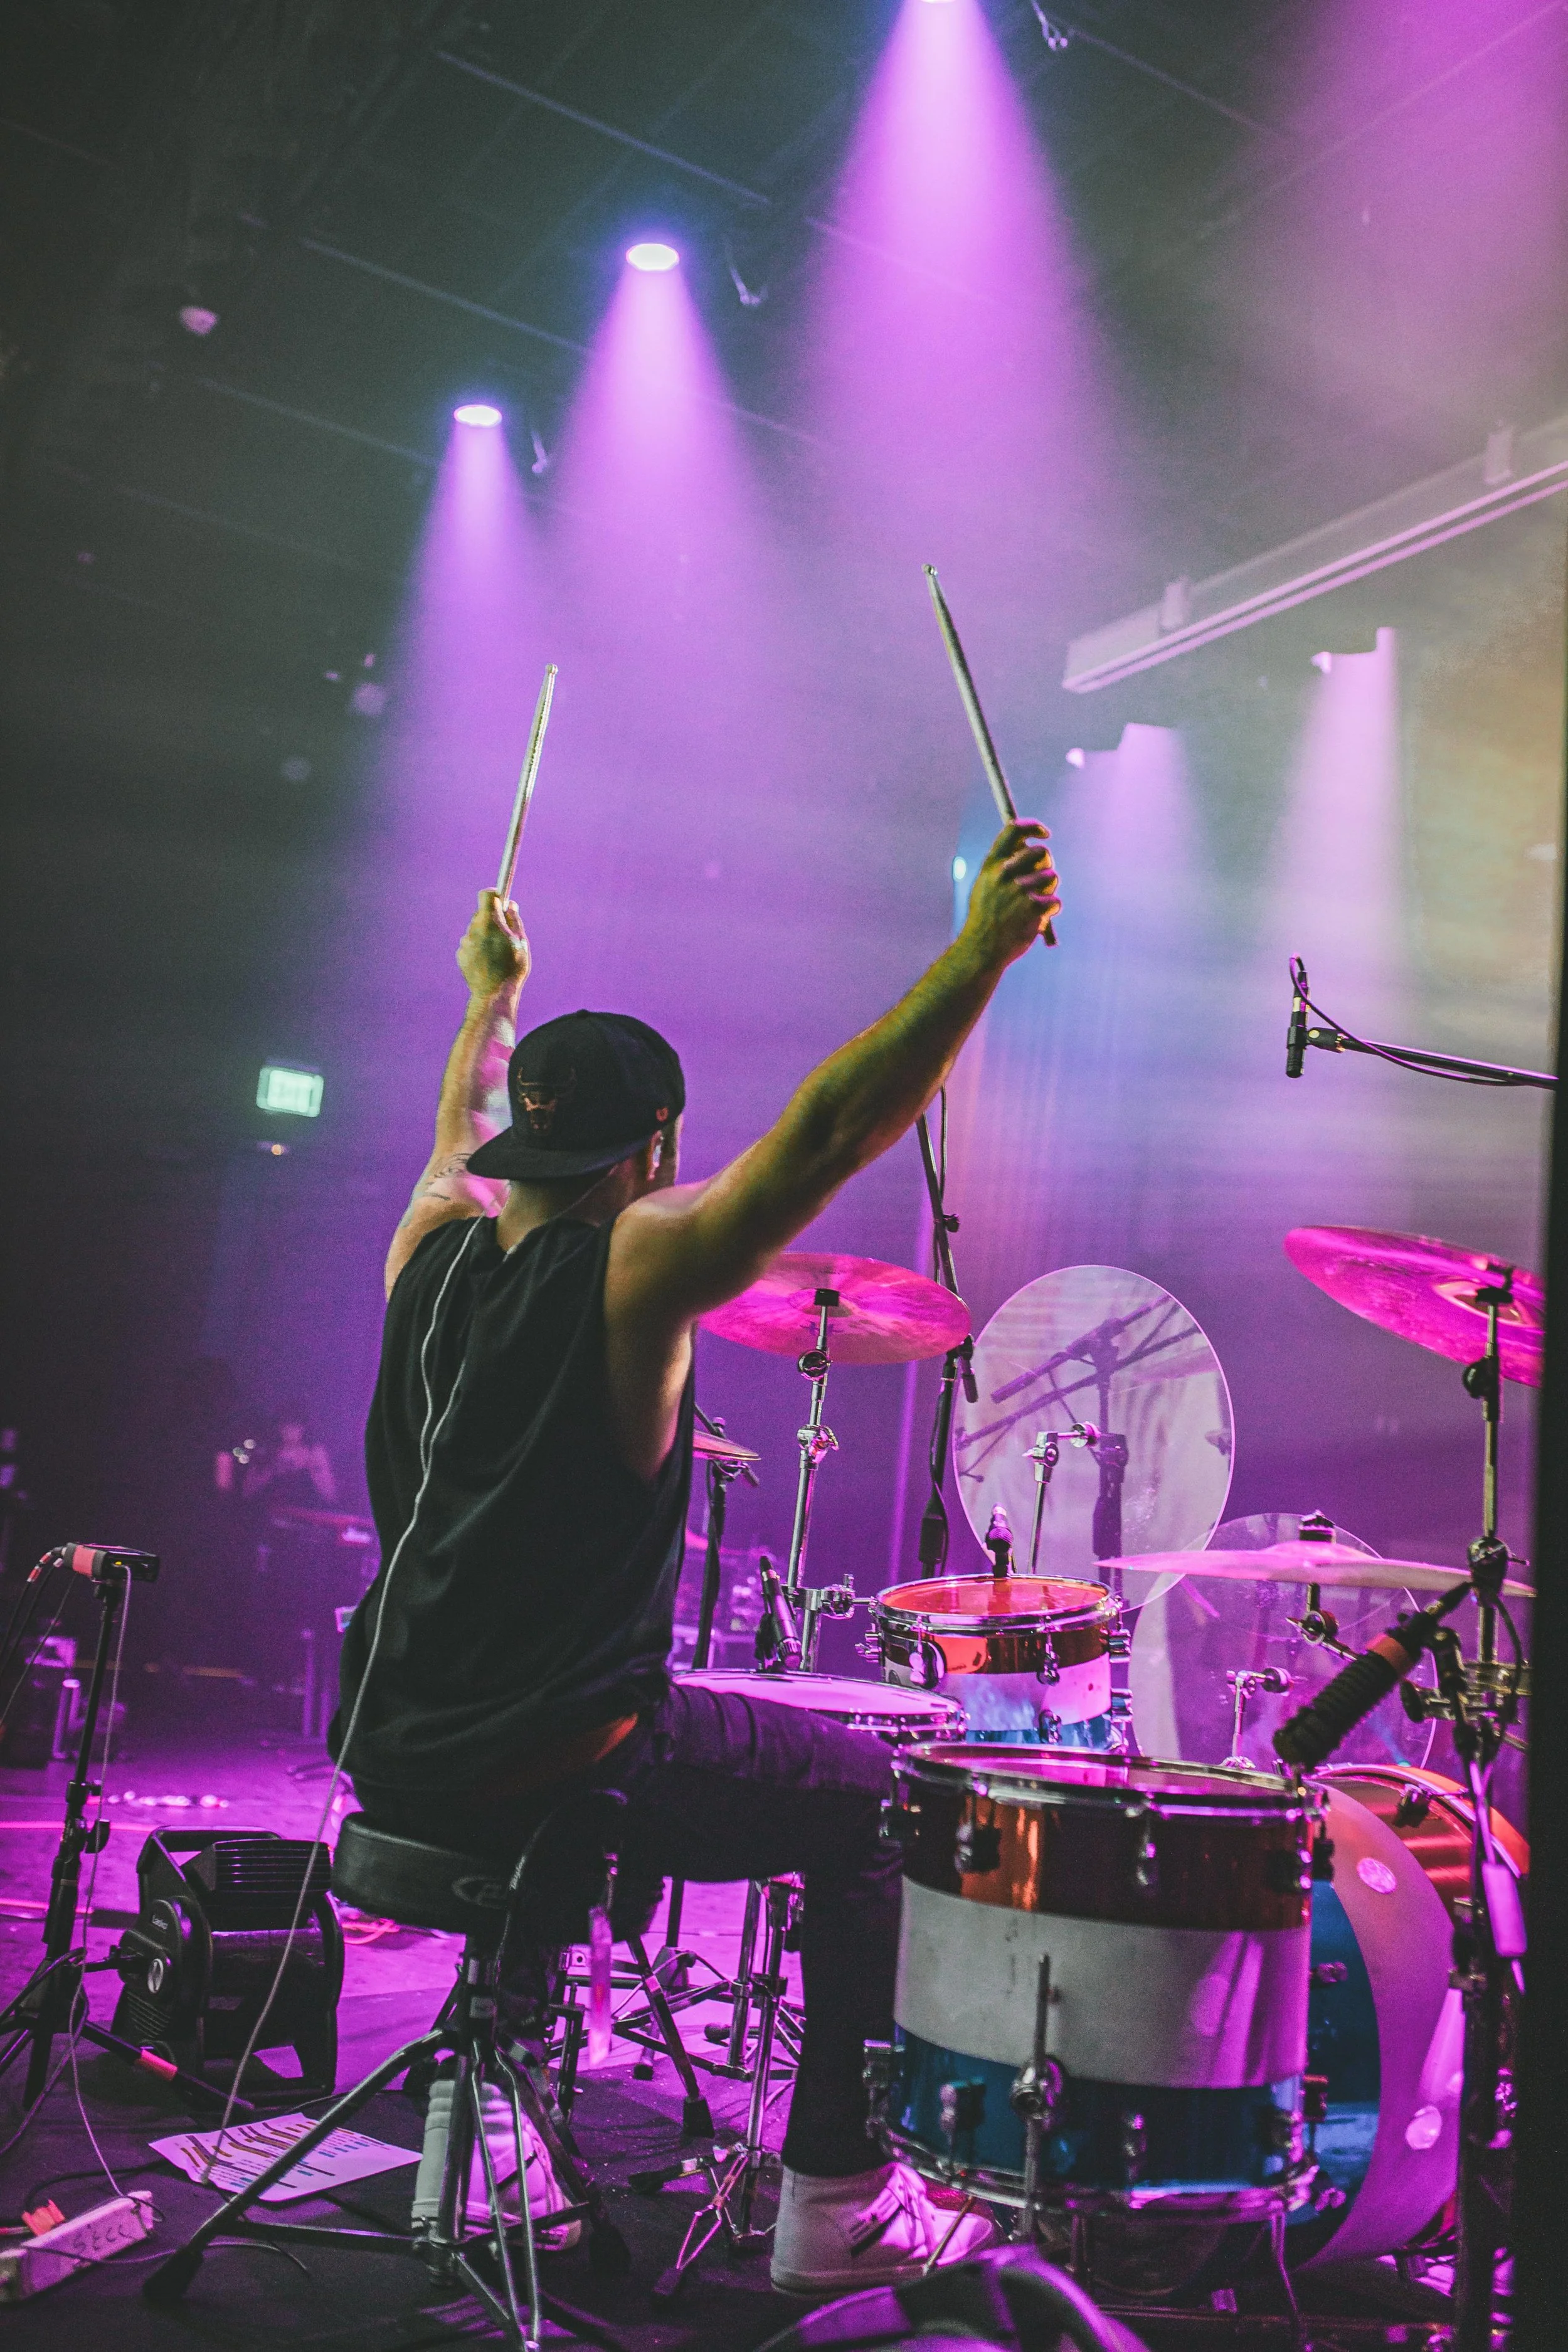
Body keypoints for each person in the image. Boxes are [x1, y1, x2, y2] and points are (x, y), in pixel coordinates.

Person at [333, 818, 1060, 2292]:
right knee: (880, 1804)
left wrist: (488, 993)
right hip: (551, 1757)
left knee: (562, 1724)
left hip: (387, 1753)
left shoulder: (425, 1245)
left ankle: (491, 2125)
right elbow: (826, 1132)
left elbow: (453, 1127)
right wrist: (979, 953)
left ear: (523, 1132)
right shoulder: (635, 1265)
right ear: (656, 1147)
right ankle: (837, 2199)